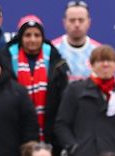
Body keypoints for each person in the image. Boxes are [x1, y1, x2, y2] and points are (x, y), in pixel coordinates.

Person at [54, 45, 115, 156]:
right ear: (92, 65)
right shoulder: (75, 90)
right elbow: (61, 124)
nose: (105, 64)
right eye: (101, 61)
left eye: (110, 61)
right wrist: (74, 148)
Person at [5, 15, 70, 146]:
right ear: (20, 38)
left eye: (37, 35)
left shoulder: (56, 60)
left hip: (50, 134)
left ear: (42, 38)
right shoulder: (6, 59)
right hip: (15, 132)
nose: (32, 39)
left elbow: (63, 99)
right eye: (28, 35)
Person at [51, 0, 101, 82]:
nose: (77, 24)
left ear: (89, 23)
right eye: (72, 20)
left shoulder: (99, 51)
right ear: (64, 23)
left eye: (81, 20)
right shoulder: (53, 49)